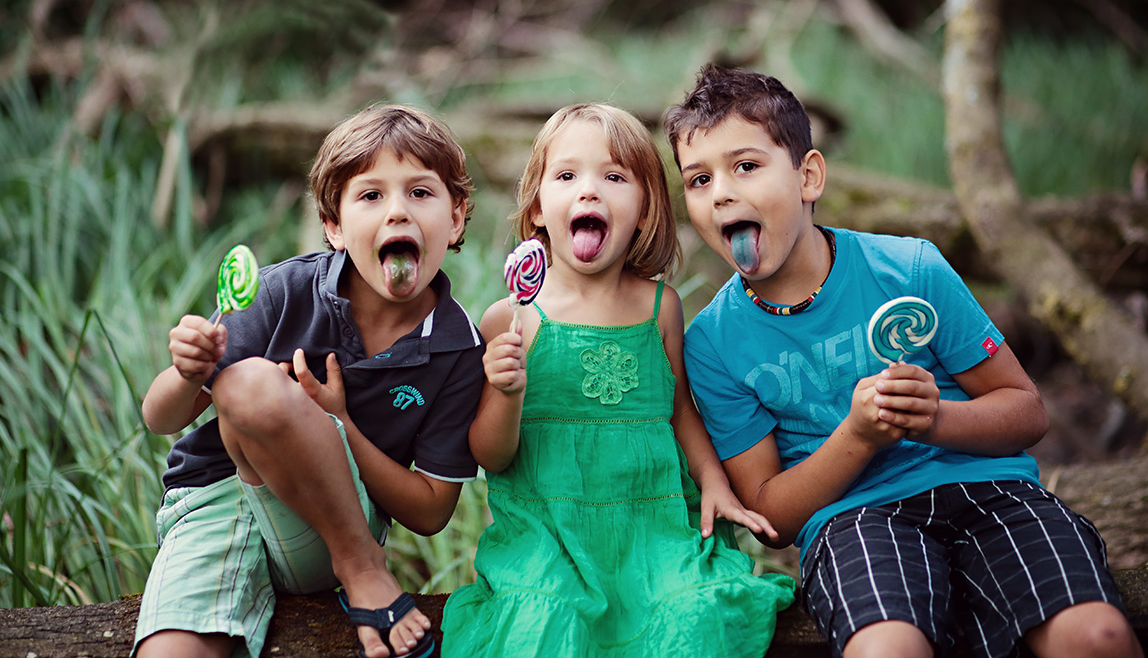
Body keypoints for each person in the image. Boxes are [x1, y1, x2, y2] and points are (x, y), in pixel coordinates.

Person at [662, 64, 1143, 658]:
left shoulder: (909, 269)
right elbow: (771, 516)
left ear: (809, 176)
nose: (721, 193)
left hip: (987, 490)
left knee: (1095, 637)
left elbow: (1026, 413)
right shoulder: (713, 343)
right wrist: (859, 436)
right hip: (853, 520)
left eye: (745, 166)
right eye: (699, 179)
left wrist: (934, 418)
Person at [440, 103, 794, 658]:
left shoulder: (660, 308)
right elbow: (492, 456)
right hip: (548, 536)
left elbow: (679, 411)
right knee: (542, 624)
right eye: (566, 176)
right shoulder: (510, 320)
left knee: (692, 617)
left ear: (645, 210)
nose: (589, 190)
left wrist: (715, 483)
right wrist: (507, 393)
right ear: (538, 209)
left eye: (613, 177)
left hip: (652, 529)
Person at [135, 104, 486, 658]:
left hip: (333, 523)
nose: (397, 211)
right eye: (371, 196)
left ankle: (363, 569)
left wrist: (339, 423)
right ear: (334, 226)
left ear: (457, 217)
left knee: (251, 385)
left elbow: (431, 511)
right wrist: (186, 372)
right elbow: (159, 419)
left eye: (420, 192)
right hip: (215, 504)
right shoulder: (280, 293)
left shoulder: (457, 349)